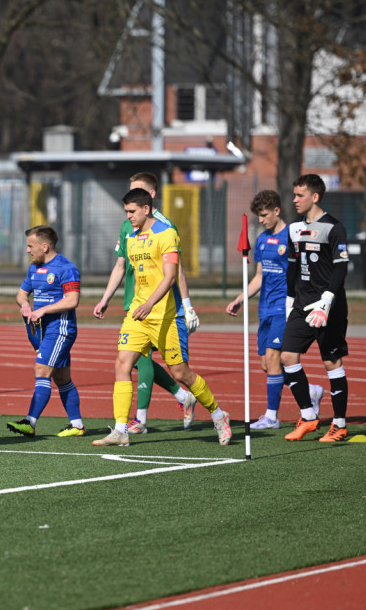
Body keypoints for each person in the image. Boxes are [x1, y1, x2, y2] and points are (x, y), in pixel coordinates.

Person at [93, 188, 231, 446]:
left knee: (180, 373)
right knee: (122, 363)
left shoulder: (167, 234)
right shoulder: (130, 237)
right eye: (126, 212)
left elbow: (170, 277)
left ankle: (218, 415)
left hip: (166, 316)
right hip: (138, 314)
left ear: (147, 208)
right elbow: (122, 268)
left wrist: (152, 304)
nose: (128, 216)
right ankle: (121, 430)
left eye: (132, 211)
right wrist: (105, 299)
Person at [93, 172, 197, 434]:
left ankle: (141, 419)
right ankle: (178, 399)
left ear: (149, 198)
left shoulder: (165, 227)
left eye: (136, 192)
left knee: (159, 364)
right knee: (133, 360)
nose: (129, 204)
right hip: (134, 300)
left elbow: (177, 271)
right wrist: (106, 298)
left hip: (160, 305)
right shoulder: (127, 224)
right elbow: (120, 264)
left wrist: (187, 305)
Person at [227, 190, 323, 429]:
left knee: (272, 359)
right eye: (258, 216)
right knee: (267, 364)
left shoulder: (292, 236)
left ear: (277, 211)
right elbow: (259, 276)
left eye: (264, 215)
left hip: (285, 306)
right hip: (265, 308)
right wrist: (240, 298)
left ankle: (271, 416)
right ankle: (310, 390)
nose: (260, 220)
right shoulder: (261, 240)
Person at [280, 174, 351, 443]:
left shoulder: (334, 227)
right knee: (287, 357)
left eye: (300, 195)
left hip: (328, 307)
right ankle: (309, 417)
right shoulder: (293, 229)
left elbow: (341, 267)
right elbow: (292, 266)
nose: (295, 200)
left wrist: (327, 300)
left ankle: (340, 425)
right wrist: (289, 301)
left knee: (331, 363)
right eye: (294, 194)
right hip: (301, 304)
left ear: (315, 197)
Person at [6, 226, 85, 438]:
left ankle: (29, 422)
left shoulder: (66, 268)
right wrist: (24, 305)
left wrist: (42, 309)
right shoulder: (34, 268)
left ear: (45, 246)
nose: (27, 251)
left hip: (60, 330)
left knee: (41, 370)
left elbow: (72, 300)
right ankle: (76, 424)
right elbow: (21, 294)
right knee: (62, 378)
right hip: (43, 331)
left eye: (30, 246)